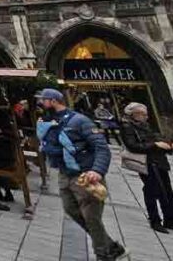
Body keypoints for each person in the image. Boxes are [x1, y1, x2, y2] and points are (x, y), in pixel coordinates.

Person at [37, 88, 124, 261]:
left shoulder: (79, 120)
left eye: (43, 100)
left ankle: (104, 254)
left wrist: (97, 170)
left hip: (85, 175)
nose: (40, 103)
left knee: (91, 218)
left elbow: (101, 147)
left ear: (54, 101)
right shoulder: (50, 121)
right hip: (64, 174)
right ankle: (110, 245)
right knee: (70, 209)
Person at [120, 102, 173, 233]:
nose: (146, 117)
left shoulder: (145, 126)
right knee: (152, 191)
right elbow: (132, 146)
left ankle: (170, 219)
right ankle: (155, 220)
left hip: (159, 161)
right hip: (147, 162)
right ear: (133, 114)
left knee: (167, 191)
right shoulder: (128, 127)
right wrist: (155, 145)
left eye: (146, 114)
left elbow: (157, 139)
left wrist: (168, 146)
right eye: (142, 114)